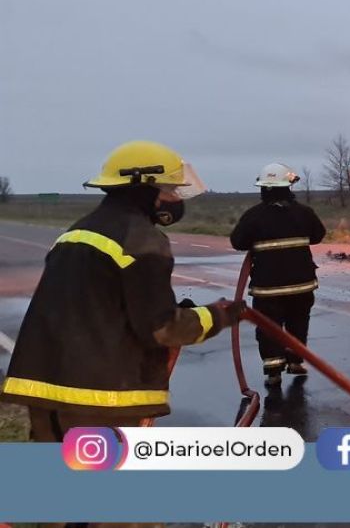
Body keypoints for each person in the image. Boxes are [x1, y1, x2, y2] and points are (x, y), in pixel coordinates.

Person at [0, 141, 244, 441]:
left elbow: (101, 305)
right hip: (99, 399)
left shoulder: (79, 230)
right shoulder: (141, 239)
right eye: (169, 189)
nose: (174, 198)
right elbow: (163, 329)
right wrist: (217, 316)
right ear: (143, 187)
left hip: (47, 393)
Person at [230, 163, 326, 386]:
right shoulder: (304, 213)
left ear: (263, 188)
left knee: (269, 327)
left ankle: (273, 371)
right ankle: (295, 362)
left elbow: (238, 242)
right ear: (288, 186)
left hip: (268, 288)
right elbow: (318, 235)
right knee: (298, 323)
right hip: (302, 285)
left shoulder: (254, 216)